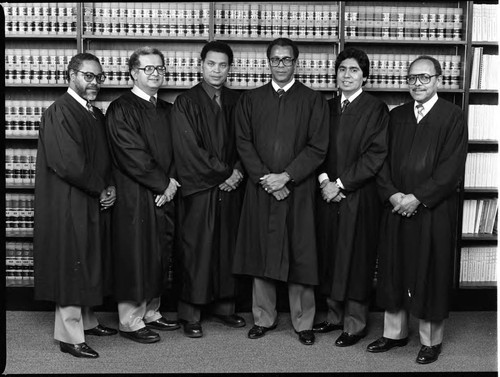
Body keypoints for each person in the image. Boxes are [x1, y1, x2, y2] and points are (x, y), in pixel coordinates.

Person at [366, 55, 468, 364]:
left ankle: (430, 340)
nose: (418, 84)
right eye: (412, 78)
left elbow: (452, 168)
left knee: (430, 271)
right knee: (394, 267)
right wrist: (394, 195)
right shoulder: (396, 116)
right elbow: (380, 162)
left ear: (439, 79)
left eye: (424, 78)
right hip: (396, 206)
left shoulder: (452, 116)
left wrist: (418, 198)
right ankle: (394, 333)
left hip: (433, 209)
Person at [233, 38, 329, 346]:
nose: (281, 65)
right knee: (261, 253)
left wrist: (286, 177)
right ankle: (264, 317)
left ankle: (304, 323)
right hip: (261, 189)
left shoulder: (313, 100)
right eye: (275, 59)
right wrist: (266, 179)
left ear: (295, 62)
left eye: (287, 59)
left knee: (300, 254)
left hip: (297, 190)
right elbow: (243, 143)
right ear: (268, 62)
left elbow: (318, 147)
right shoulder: (251, 99)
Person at [34, 52, 117, 359]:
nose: (94, 82)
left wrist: (108, 188)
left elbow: (103, 158)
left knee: (87, 259)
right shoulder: (60, 111)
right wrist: (101, 188)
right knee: (72, 262)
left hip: (89, 198)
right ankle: (70, 336)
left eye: (99, 77)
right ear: (71, 75)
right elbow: (68, 163)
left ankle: (87, 321)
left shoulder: (93, 113)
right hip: (68, 202)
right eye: (88, 76)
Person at [313, 47, 389, 347]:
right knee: (330, 253)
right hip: (326, 194)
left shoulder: (376, 109)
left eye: (354, 70)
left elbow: (375, 155)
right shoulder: (325, 107)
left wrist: (341, 184)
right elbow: (314, 149)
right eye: (342, 69)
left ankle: (354, 324)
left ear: (365, 77)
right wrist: (323, 182)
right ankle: (333, 317)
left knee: (356, 257)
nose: (347, 75)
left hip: (358, 196)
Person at [170, 41, 246, 338]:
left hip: (231, 188)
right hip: (200, 189)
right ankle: (191, 314)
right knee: (197, 248)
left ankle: (225, 308)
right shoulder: (185, 102)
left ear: (230, 68)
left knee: (227, 246)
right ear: (200, 64)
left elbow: (248, 142)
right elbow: (189, 150)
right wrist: (227, 173)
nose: (217, 70)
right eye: (211, 64)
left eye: (223, 65)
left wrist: (239, 171)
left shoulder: (238, 101)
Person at [105, 46, 181, 344]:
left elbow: (178, 151)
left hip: (165, 192)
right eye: (148, 69)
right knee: (136, 255)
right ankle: (130, 320)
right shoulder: (120, 108)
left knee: (159, 253)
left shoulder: (168, 109)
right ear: (133, 73)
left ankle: (151, 311)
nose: (155, 74)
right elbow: (131, 154)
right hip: (135, 194)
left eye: (160, 68)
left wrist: (172, 182)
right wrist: (163, 184)